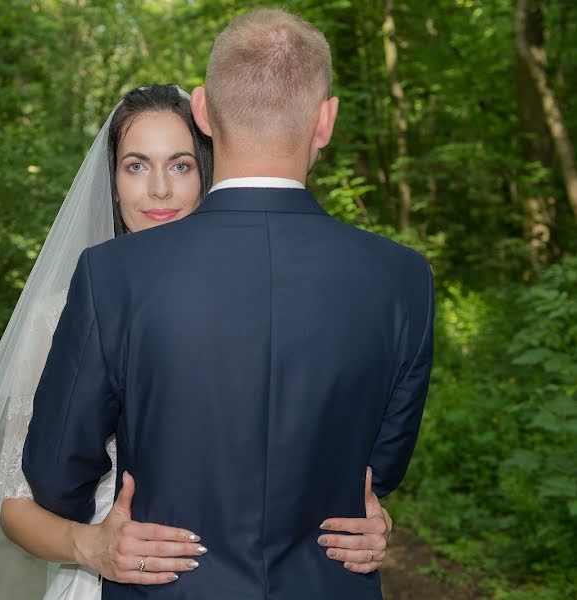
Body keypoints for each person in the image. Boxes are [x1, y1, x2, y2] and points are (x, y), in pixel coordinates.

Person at [22, 10, 433, 600]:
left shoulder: (115, 274)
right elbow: (380, 472)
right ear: (325, 120)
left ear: (204, 112)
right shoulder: (403, 278)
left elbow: (56, 474)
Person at [0, 85, 395, 600]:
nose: (159, 189)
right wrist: (92, 547)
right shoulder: (61, 312)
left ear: (208, 170)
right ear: (111, 182)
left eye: (180, 165)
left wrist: (372, 520)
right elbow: (17, 504)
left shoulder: (268, 299)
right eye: (136, 166)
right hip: (112, 579)